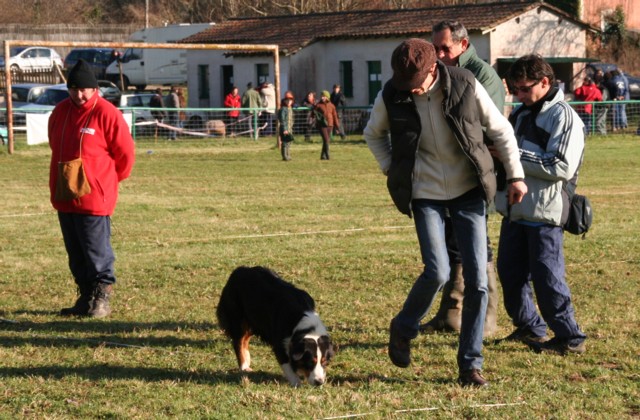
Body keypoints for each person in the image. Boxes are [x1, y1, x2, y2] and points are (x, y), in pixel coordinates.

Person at [364, 39, 526, 387]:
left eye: (418, 80)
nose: (413, 89)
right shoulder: (392, 94)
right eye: (405, 82)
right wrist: (392, 169)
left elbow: (500, 130)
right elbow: (373, 135)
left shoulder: (466, 84)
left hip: (468, 191)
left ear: (435, 67)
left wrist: (515, 175)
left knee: (479, 282)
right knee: (437, 271)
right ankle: (404, 327)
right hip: (425, 194)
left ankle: (470, 365)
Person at [494, 54, 587, 356]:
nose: (518, 95)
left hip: (545, 214)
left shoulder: (564, 117)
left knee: (548, 278)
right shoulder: (521, 114)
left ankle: (569, 336)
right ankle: (529, 326)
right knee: (510, 274)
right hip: (515, 211)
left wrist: (512, 154)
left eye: (523, 89)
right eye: (515, 89)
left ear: (545, 82)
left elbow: (561, 164)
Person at [422, 20, 507, 337]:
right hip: (445, 174)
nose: (440, 54)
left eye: (445, 47)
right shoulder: (438, 74)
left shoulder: (481, 77)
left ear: (464, 45)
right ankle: (452, 314)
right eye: (436, 48)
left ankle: (486, 320)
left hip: (473, 175)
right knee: (453, 243)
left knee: (478, 246)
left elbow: (487, 130)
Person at [48, 59, 135, 318]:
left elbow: (125, 155)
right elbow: (55, 145)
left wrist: (103, 181)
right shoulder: (60, 112)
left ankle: (101, 298)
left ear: (94, 89)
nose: (79, 94)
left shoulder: (107, 113)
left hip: (94, 197)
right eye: (74, 89)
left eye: (84, 89)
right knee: (76, 253)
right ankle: (85, 297)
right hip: (65, 194)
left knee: (96, 251)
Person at [314, 90, 340, 160]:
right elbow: (313, 114)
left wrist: (337, 127)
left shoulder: (332, 106)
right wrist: (314, 107)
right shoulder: (318, 105)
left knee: (326, 140)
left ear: (327, 97)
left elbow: (335, 116)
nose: (322, 98)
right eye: (322, 96)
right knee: (326, 139)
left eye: (324, 96)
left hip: (330, 125)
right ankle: (328, 155)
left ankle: (323, 156)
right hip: (322, 125)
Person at [593, 70, 610, 135]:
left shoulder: (604, 85)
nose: (599, 75)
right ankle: (597, 133)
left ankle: (603, 133)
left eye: (601, 74)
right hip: (595, 104)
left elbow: (607, 93)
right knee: (596, 121)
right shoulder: (592, 84)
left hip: (603, 105)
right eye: (598, 73)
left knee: (602, 120)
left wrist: (608, 102)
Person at [278, 96, 295, 161]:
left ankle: (288, 154)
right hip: (284, 128)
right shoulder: (283, 109)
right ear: (285, 101)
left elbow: (292, 118)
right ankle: (284, 155)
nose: (289, 102)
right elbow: (282, 120)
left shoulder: (290, 109)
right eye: (287, 101)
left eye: (290, 101)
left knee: (289, 142)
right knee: (285, 142)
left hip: (289, 128)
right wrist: (284, 129)